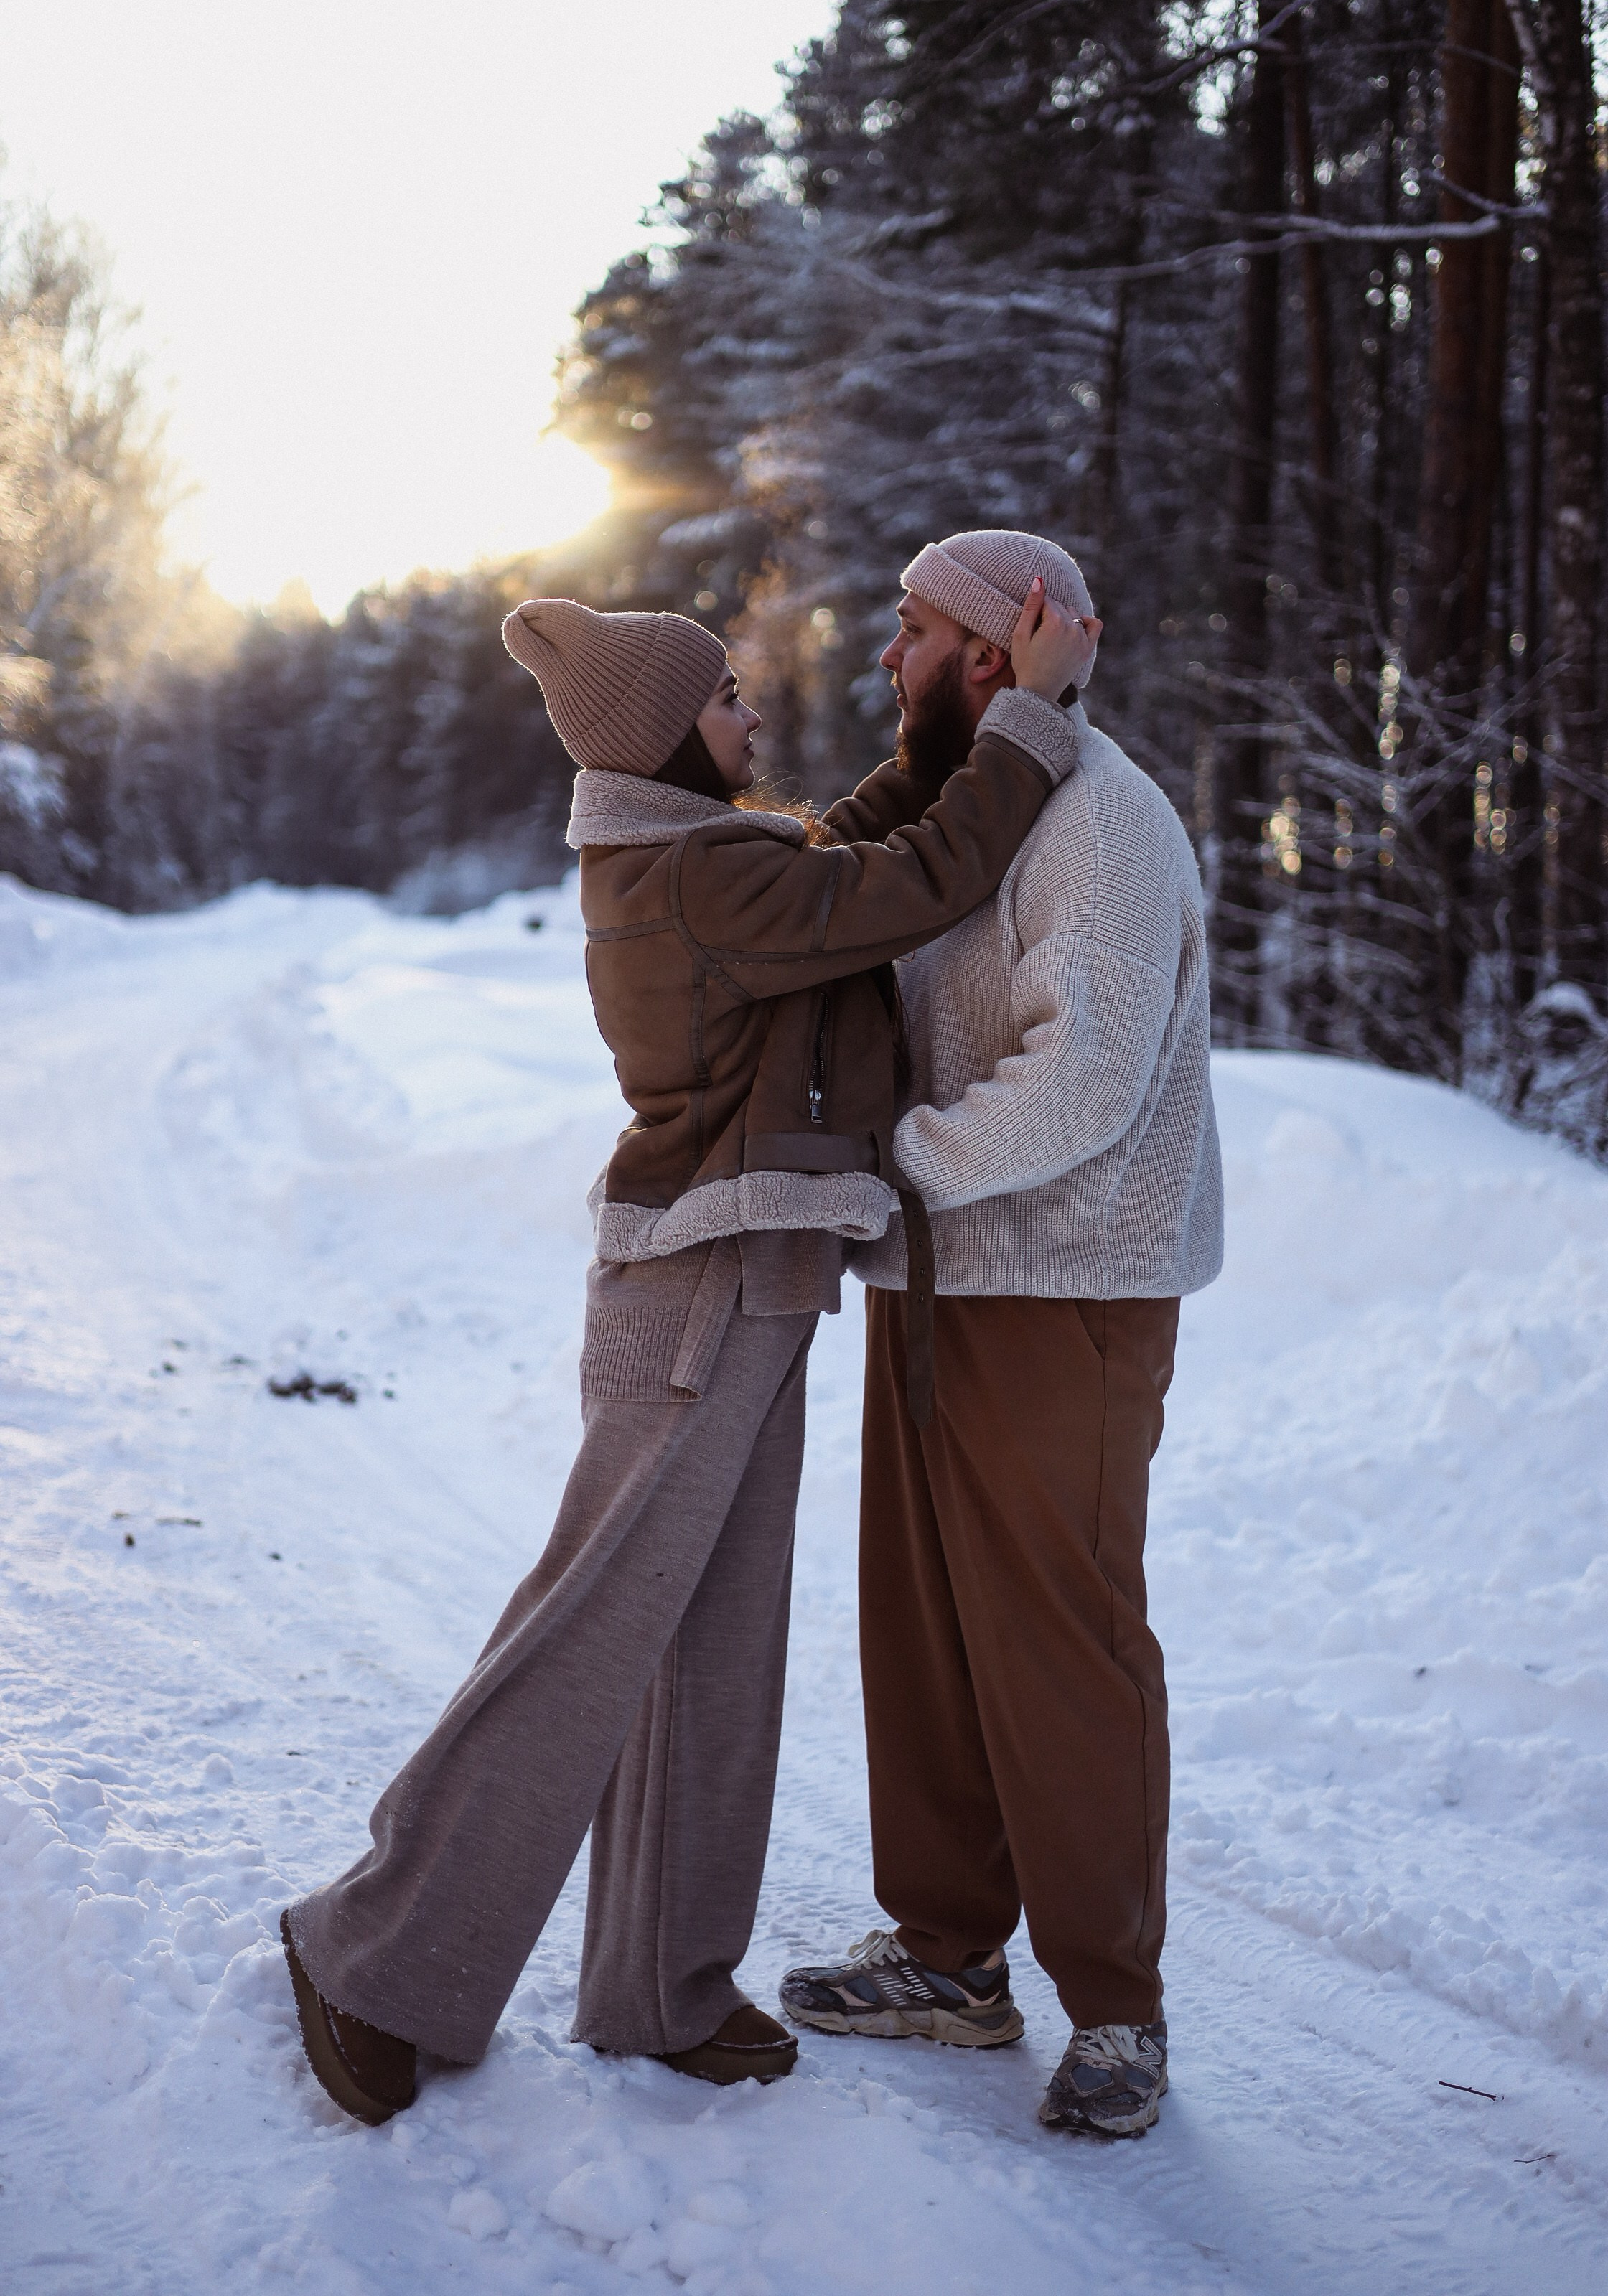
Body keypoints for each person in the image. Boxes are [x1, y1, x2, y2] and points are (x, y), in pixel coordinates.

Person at [279, 582, 1095, 2124]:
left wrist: (944, 749)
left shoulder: (704, 858)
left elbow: (839, 854)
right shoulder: (696, 880)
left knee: (712, 1636)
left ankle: (662, 1985)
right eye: (725, 699)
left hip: (753, 1269)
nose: (752, 712)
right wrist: (1031, 725)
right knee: (593, 1631)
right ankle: (373, 1953)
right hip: (703, 1284)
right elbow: (907, 885)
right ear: (665, 738)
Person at [777, 530, 1223, 2139]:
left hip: (1065, 1288)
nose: (884, 656)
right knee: (925, 1629)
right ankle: (948, 1956)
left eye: (911, 629)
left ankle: (1117, 2009)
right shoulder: (976, 797)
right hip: (936, 1276)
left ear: (992, 648)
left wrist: (895, 1167)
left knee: (1058, 1641)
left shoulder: (1100, 821)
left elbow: (1081, 1081)